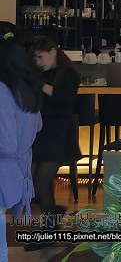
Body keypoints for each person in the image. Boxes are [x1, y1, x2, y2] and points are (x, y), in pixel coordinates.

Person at [28, 36, 80, 251]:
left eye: (40, 57)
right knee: (33, 182)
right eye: (35, 59)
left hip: (59, 133)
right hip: (40, 133)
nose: (38, 62)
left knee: (41, 183)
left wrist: (40, 85)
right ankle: (52, 217)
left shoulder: (68, 74)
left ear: (53, 51)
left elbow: (64, 98)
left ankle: (49, 230)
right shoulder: (40, 74)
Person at [0, 23, 42, 262]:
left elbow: (7, 145)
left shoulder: (1, 89)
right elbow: (38, 125)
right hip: (16, 175)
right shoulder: (26, 85)